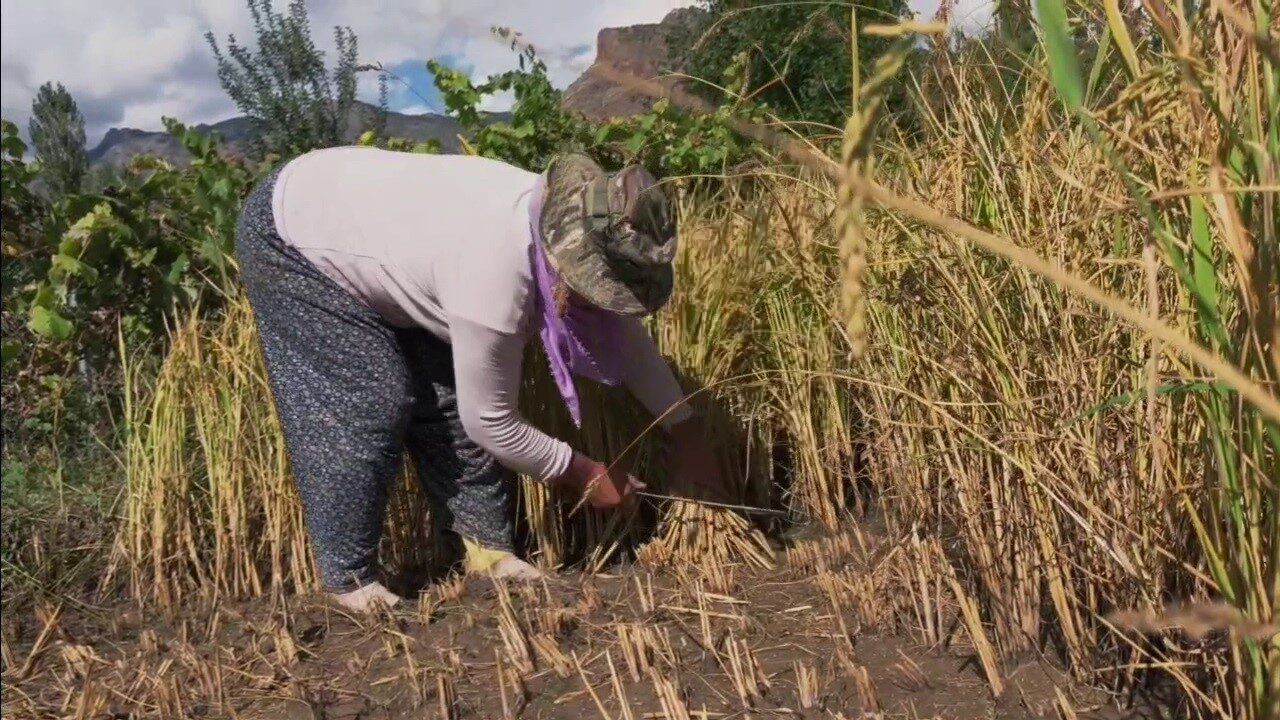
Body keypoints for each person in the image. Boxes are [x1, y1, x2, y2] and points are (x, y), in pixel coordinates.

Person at [234, 148, 728, 611]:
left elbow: (620, 336)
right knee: (370, 399)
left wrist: (683, 425)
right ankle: (348, 583)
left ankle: (489, 555)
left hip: (386, 240)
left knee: (446, 398)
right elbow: (490, 422)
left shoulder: (558, 225)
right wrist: (580, 473)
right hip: (294, 234)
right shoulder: (494, 273)